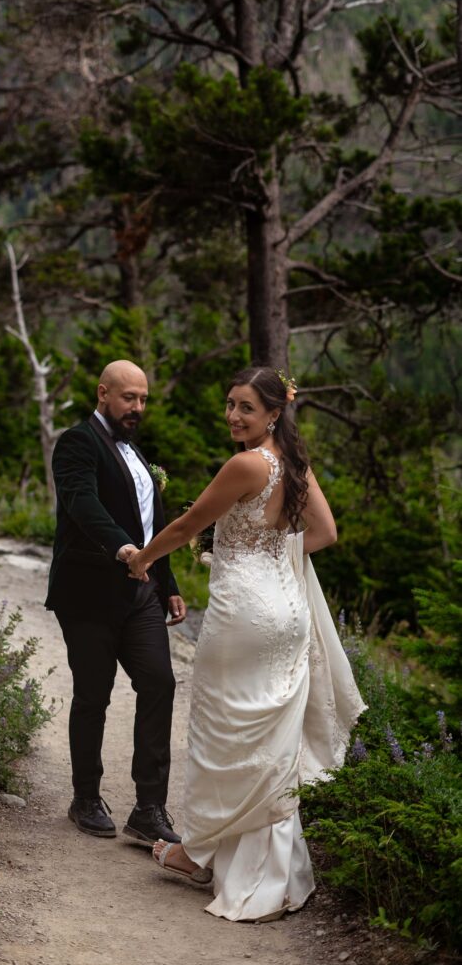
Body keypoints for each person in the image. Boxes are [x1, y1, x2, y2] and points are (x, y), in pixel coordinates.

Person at [127, 365, 365, 922]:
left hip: (244, 617)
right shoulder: (294, 465)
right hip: (287, 612)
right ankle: (267, 872)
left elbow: (188, 527)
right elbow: (325, 534)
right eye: (230, 405)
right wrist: (271, 558)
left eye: (246, 408)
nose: (234, 416)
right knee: (269, 743)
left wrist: (141, 559)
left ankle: (198, 854)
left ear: (274, 413)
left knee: (221, 732)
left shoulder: (245, 465)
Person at [45, 359, 187, 844]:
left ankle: (149, 808)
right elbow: (82, 503)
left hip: (141, 593)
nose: (138, 407)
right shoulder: (77, 443)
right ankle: (85, 796)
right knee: (93, 695)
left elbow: (152, 525)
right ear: (104, 392)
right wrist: (122, 548)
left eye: (144, 399)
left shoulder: (137, 454)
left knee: (159, 683)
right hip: (88, 591)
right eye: (129, 397)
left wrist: (166, 582)